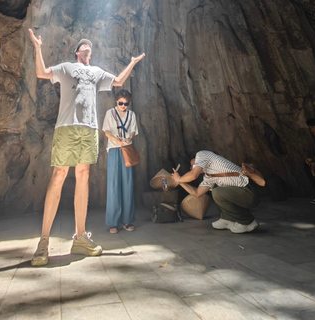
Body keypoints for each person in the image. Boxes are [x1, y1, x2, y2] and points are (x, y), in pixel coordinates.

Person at [28, 29, 145, 266]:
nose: (86, 47)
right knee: (59, 175)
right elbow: (41, 72)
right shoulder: (65, 68)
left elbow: (119, 81)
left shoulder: (96, 72)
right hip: (67, 127)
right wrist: (38, 47)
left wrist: (131, 63)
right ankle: (43, 242)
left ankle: (80, 237)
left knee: (83, 175)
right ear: (77, 52)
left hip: (89, 129)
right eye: (83, 46)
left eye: (89, 46)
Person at [171, 151, 265, 234]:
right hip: (242, 194)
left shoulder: (202, 154)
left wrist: (179, 178)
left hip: (248, 191)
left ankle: (247, 221)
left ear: (197, 159)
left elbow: (193, 175)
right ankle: (228, 218)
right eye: (191, 167)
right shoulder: (209, 177)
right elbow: (197, 193)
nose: (192, 167)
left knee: (217, 192)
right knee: (216, 189)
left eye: (193, 165)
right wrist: (179, 182)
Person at [102, 89, 138, 233]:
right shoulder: (110, 113)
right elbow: (106, 131)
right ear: (116, 101)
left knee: (128, 184)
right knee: (113, 185)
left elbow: (133, 130)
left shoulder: (131, 115)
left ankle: (127, 220)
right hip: (113, 150)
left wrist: (129, 138)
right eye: (121, 103)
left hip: (127, 151)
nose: (123, 106)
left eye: (126, 103)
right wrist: (118, 141)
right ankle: (113, 222)